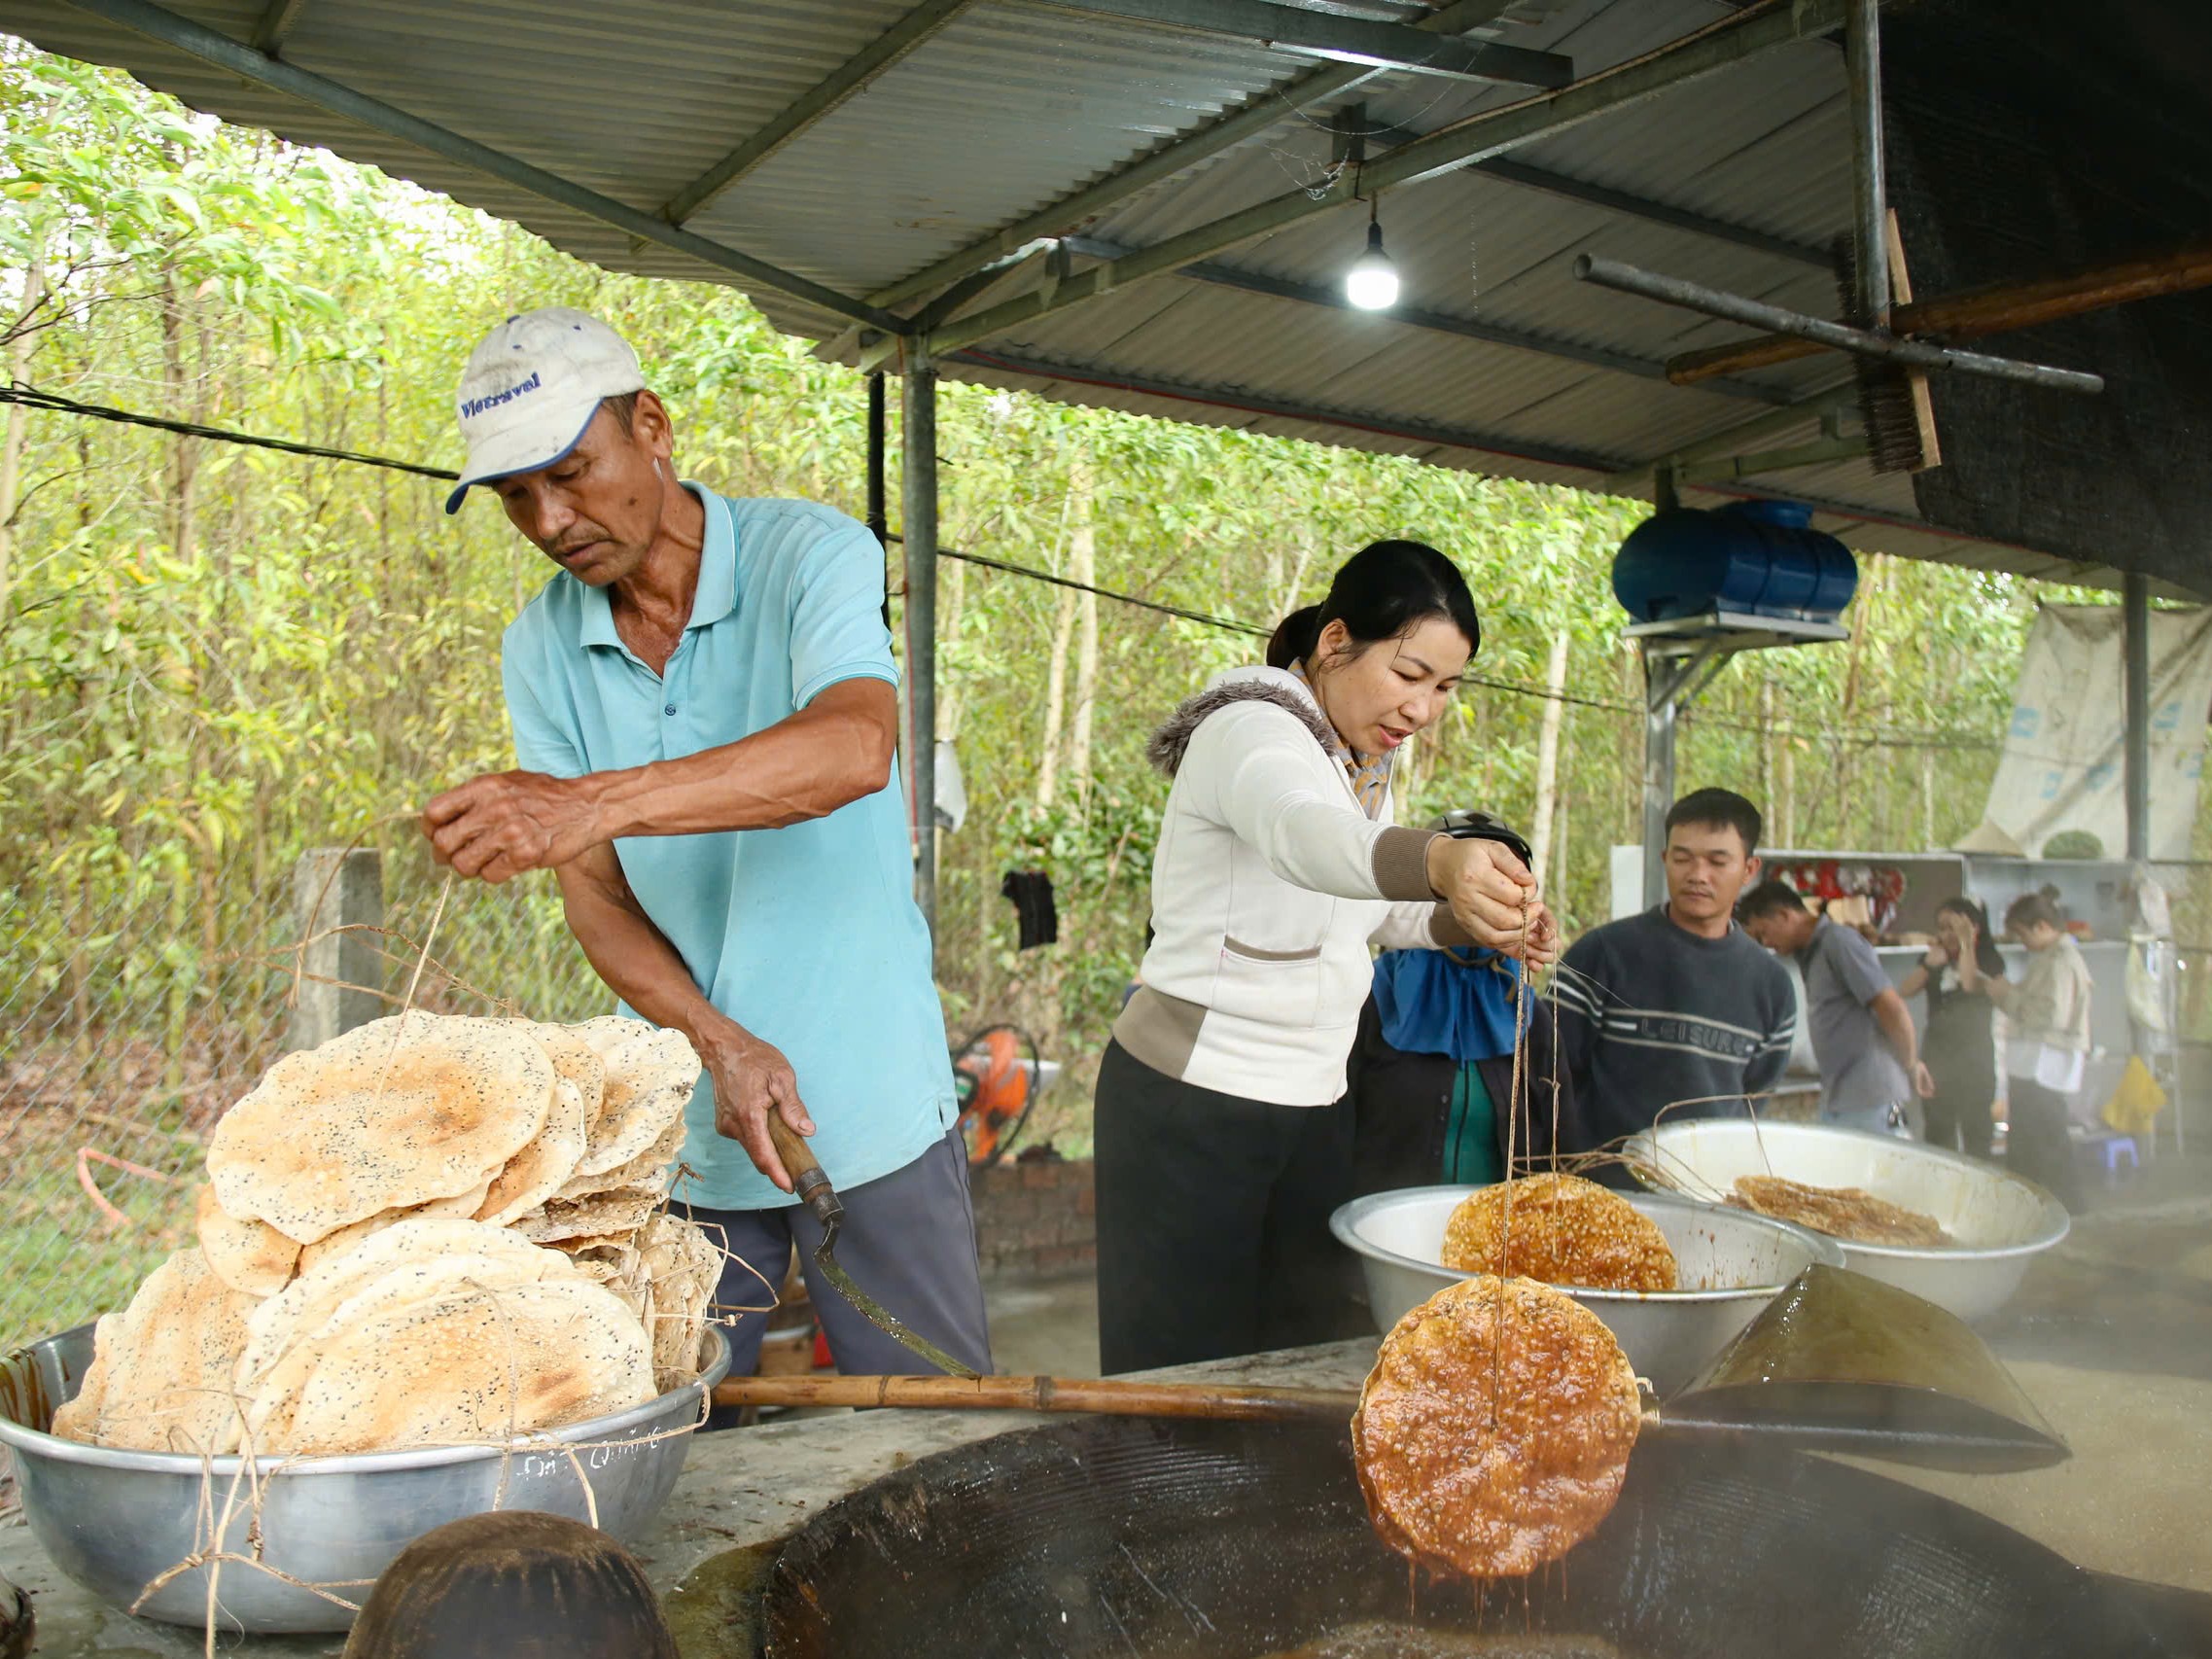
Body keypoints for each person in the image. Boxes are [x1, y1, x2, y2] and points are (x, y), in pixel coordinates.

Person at [417, 307, 991, 1381]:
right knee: (680, 1424)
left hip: (870, 1104)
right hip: (691, 1121)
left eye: (570, 472)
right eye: (514, 496)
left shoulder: (808, 554)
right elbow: (598, 902)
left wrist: (590, 803)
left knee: (937, 1425)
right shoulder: (541, 645)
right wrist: (717, 1040)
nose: (549, 519)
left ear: (652, 425)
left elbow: (854, 748)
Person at [1094, 541, 1556, 1375]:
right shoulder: (1250, 729)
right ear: (1335, 641)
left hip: (1314, 1100)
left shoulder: (1359, 764)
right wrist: (1438, 859)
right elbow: (1303, 836)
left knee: (1294, 1357)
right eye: (1409, 673)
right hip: (1194, 1101)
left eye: (1445, 687)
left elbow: (1363, 907)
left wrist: (1473, 922)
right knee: (1177, 1374)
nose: (1422, 708)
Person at [1552, 790, 1797, 1168]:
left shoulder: (1772, 986)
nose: (1698, 875)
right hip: (1598, 1188)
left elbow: (1751, 1102)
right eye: (1682, 859)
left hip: (1707, 1190)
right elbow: (1548, 1073)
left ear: (1749, 870)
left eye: (1717, 862)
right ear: (1665, 859)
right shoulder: (1602, 954)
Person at [1347, 930, 1582, 1198]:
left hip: (1502, 1223)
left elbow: (1563, 1152)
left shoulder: (1530, 1020)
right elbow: (1330, 1140)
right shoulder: (1374, 1000)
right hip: (1386, 1219)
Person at [1739, 879, 1934, 1136]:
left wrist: (1912, 1064)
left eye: (1762, 933)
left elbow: (1891, 1006)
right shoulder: (1811, 953)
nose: (1765, 943)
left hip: (1871, 1097)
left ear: (1784, 915)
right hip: (1840, 1098)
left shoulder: (1838, 942)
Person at [1980, 892, 2091, 1210]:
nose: (2022, 942)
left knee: (2046, 1138)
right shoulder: (2050, 957)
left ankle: (2065, 1206)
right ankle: (2033, 1204)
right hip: (2036, 1061)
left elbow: (2050, 1016)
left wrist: (2007, 995)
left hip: (2046, 1061)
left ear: (2041, 926)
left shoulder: (2061, 961)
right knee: (2030, 1137)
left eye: (2022, 933)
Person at [1899, 898, 2006, 1157]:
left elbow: (1969, 984)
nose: (1946, 934)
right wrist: (1929, 965)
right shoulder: (1935, 958)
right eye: (1942, 927)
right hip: (1937, 1057)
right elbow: (1905, 990)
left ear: (1974, 927)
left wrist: (1966, 943)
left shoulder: (1988, 958)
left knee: (1977, 1134)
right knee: (1938, 1133)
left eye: (1953, 927)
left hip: (1976, 1059)